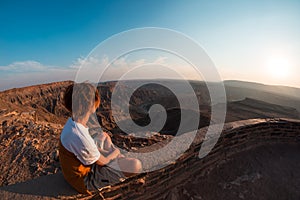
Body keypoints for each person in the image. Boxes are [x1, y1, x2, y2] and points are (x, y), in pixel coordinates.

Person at [59, 82, 142, 195]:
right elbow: (103, 162)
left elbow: (87, 150)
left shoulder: (73, 124)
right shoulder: (79, 135)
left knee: (104, 136)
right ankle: (118, 159)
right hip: (85, 179)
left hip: (83, 164)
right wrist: (115, 152)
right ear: (90, 105)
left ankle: (118, 159)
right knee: (135, 165)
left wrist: (109, 152)